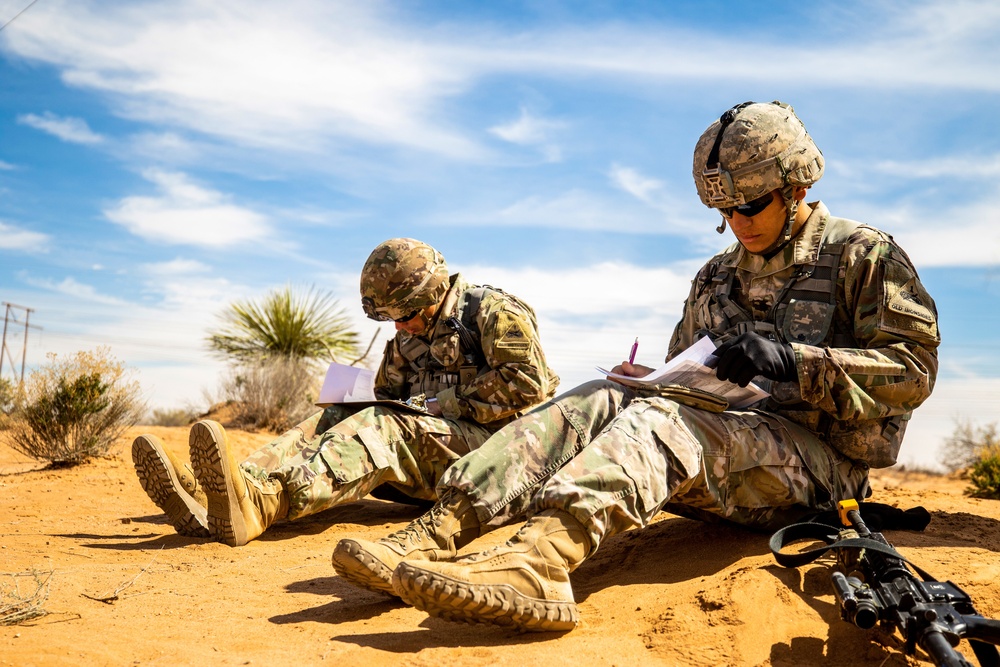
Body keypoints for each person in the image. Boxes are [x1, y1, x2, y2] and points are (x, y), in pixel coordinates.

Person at [330, 101, 940, 631]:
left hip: (821, 473)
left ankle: (539, 560)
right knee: (597, 396)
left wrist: (794, 361)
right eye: (724, 213)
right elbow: (684, 373)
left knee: (665, 425)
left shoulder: (863, 256)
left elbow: (913, 370)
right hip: (724, 449)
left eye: (751, 207)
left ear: (797, 185)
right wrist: (648, 381)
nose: (737, 225)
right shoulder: (716, 276)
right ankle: (440, 529)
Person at [131, 238, 560, 546]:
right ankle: (237, 487)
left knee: (386, 425)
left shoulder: (493, 313)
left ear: (434, 291)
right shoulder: (407, 337)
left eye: (406, 314)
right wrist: (352, 401)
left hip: (501, 458)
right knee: (334, 416)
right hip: (440, 451)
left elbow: (527, 385)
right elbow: (386, 394)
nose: (399, 326)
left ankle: (267, 502)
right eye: (389, 319)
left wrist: (435, 404)